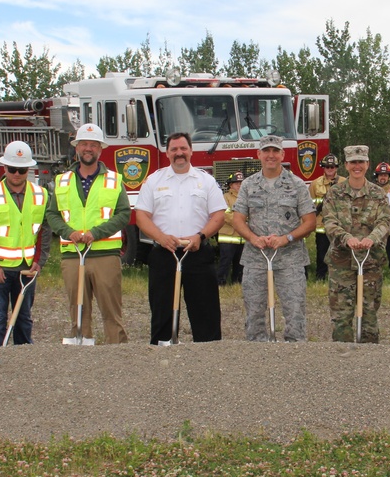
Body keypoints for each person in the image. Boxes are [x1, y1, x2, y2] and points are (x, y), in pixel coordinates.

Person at [135, 131, 226, 344]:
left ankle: (207, 355)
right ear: (167, 153)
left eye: (183, 148)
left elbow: (219, 215)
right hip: (164, 253)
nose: (179, 153)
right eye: (174, 149)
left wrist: (199, 236)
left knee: (206, 311)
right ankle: (162, 355)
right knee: (162, 312)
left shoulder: (206, 181)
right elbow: (141, 216)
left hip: (196, 252)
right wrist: (161, 237)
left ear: (191, 150)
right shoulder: (153, 181)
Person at [46, 123, 132, 344]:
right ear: (77, 148)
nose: (88, 148)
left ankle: (118, 354)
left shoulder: (114, 180)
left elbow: (124, 214)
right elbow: (52, 215)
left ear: (100, 149)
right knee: (78, 312)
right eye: (84, 144)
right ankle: (83, 358)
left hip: (105, 255)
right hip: (73, 255)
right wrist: (69, 232)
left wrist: (97, 232)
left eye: (93, 145)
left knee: (112, 313)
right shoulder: (62, 181)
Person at [232, 135, 316, 342]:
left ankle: (294, 356)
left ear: (282, 154)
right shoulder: (249, 184)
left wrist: (286, 238)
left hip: (290, 259)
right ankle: (258, 358)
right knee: (254, 313)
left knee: (295, 312)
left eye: (275, 151)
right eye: (266, 151)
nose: (271, 155)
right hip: (256, 258)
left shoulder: (296, 184)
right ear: (258, 154)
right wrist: (253, 238)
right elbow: (238, 219)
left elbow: (309, 222)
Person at [0, 140, 51, 346]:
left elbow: (44, 231)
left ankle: (24, 360)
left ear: (28, 169)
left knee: (24, 319)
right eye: (12, 169)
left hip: (27, 269)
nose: (17, 174)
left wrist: (39, 262)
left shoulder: (41, 195)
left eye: (21, 170)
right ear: (4, 168)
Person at [322, 145, 390, 342]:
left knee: (369, 314)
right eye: (353, 162)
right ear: (346, 165)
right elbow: (329, 221)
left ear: (367, 164)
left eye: (361, 162)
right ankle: (342, 360)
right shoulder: (334, 193)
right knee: (341, 317)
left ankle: (368, 363)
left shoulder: (378, 194)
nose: (357, 166)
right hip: (341, 263)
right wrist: (346, 238)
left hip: (370, 263)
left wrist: (372, 238)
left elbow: (385, 221)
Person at [309, 153, 345, 280]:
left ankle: (338, 277)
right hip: (322, 226)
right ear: (323, 167)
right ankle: (320, 277)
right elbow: (311, 206)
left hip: (339, 226)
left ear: (336, 168)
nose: (330, 169)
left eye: (333, 167)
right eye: (327, 167)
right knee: (322, 253)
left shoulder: (344, 182)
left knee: (340, 253)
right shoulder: (315, 184)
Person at [216, 172, 244, 285]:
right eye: (236, 183)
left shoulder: (246, 198)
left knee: (241, 263)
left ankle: (237, 282)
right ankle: (221, 283)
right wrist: (241, 223)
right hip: (228, 237)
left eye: (241, 183)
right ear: (230, 185)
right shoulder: (225, 197)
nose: (239, 185)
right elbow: (226, 214)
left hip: (242, 237)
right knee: (225, 262)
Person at [374, 161, 390, 280]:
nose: (383, 177)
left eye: (385, 175)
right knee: (376, 253)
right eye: (380, 175)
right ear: (377, 176)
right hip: (376, 228)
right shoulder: (372, 190)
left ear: (389, 177)